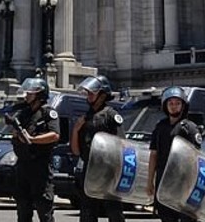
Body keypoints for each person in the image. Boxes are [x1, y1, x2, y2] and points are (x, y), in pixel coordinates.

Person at [71, 75, 125, 222]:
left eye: (92, 93)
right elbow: (76, 151)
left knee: (114, 212)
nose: (88, 96)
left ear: (102, 95)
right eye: (87, 93)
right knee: (87, 213)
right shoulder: (85, 118)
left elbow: (121, 145)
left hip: (108, 171)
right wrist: (76, 130)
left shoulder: (111, 115)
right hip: (89, 171)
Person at [146, 86, 202, 222]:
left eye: (177, 103)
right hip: (164, 181)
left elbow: (197, 158)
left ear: (183, 105)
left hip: (184, 182)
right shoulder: (160, 127)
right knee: (166, 217)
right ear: (165, 106)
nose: (174, 106)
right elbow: (154, 154)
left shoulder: (190, 128)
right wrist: (149, 181)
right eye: (170, 103)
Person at [10, 77, 62, 222]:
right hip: (23, 166)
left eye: (30, 93)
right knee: (23, 208)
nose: (27, 96)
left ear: (39, 95)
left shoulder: (48, 113)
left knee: (43, 208)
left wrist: (32, 140)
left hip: (40, 167)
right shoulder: (24, 113)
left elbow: (54, 135)